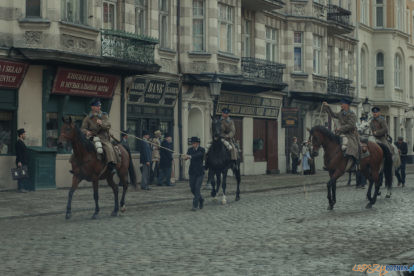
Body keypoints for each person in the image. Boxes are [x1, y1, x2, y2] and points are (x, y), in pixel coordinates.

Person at [80, 99, 117, 175]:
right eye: (97, 106)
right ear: (92, 107)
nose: (99, 107)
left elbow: (108, 125)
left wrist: (101, 123)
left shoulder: (104, 115)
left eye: (99, 106)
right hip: (92, 137)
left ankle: (111, 165)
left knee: (108, 147)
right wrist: (86, 132)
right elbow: (82, 128)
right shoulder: (87, 118)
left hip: (102, 137)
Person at [323, 99, 359, 169]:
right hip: (340, 133)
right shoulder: (341, 113)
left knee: (351, 146)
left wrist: (341, 128)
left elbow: (351, 125)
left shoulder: (352, 114)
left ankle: (352, 161)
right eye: (341, 104)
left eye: (342, 104)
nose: (341, 105)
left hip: (350, 134)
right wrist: (327, 106)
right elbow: (332, 114)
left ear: (347, 105)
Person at [183, 136, 205, 211]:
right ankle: (201, 199)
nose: (193, 144)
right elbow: (187, 157)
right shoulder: (190, 150)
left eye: (194, 143)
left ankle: (195, 205)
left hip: (200, 172)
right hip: (192, 172)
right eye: (192, 143)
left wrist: (190, 156)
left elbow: (198, 155)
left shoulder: (202, 149)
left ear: (198, 143)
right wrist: (185, 157)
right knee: (192, 188)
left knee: (197, 188)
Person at [15, 128, 31, 192]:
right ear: (21, 135)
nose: (25, 135)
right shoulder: (18, 142)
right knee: (20, 175)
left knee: (23, 175)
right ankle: (20, 188)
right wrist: (19, 161)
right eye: (24, 134)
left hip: (24, 161)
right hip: (21, 161)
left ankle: (22, 188)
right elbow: (18, 153)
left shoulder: (21, 142)